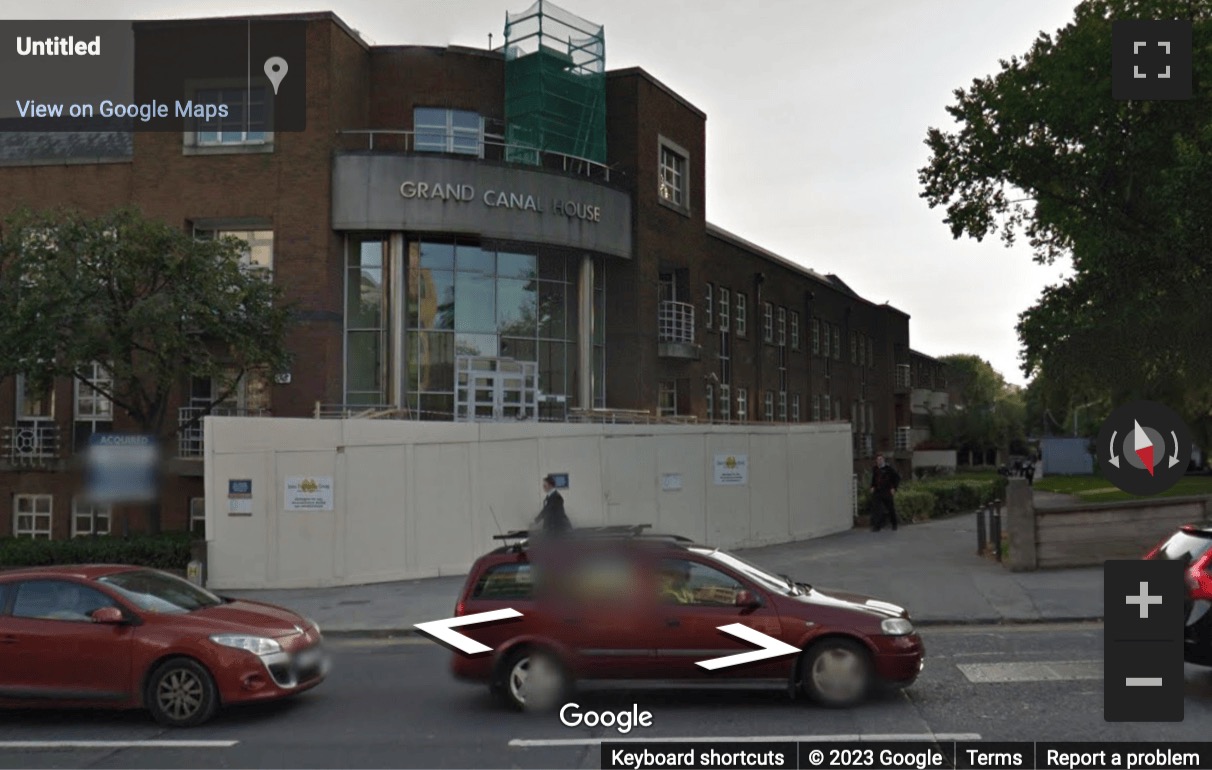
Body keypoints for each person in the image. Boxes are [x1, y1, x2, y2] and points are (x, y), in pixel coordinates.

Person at [869, 453, 901, 531]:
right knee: (877, 509)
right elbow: (874, 479)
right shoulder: (875, 469)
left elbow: (897, 478)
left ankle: (894, 524)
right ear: (876, 461)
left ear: (883, 460)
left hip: (887, 491)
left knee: (890, 508)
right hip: (878, 491)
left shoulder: (889, 469)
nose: (879, 461)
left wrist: (893, 488)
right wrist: (872, 486)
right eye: (878, 460)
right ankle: (877, 526)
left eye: (881, 459)